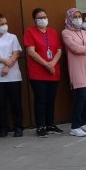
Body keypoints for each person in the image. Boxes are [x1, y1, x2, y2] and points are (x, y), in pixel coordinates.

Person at [24, 8, 63, 138]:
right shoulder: (30, 31)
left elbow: (58, 50)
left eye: (44, 17)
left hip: (53, 71)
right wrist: (46, 64)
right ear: (34, 19)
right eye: (39, 17)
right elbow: (31, 51)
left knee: (51, 99)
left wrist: (52, 63)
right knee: (40, 100)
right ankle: (40, 126)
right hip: (38, 72)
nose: (43, 19)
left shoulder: (52, 32)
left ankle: (50, 124)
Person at [62, 7, 86, 137]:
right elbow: (75, 49)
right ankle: (75, 126)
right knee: (80, 98)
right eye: (75, 17)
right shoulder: (66, 33)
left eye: (79, 17)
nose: (78, 19)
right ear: (69, 18)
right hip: (77, 69)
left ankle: (83, 123)